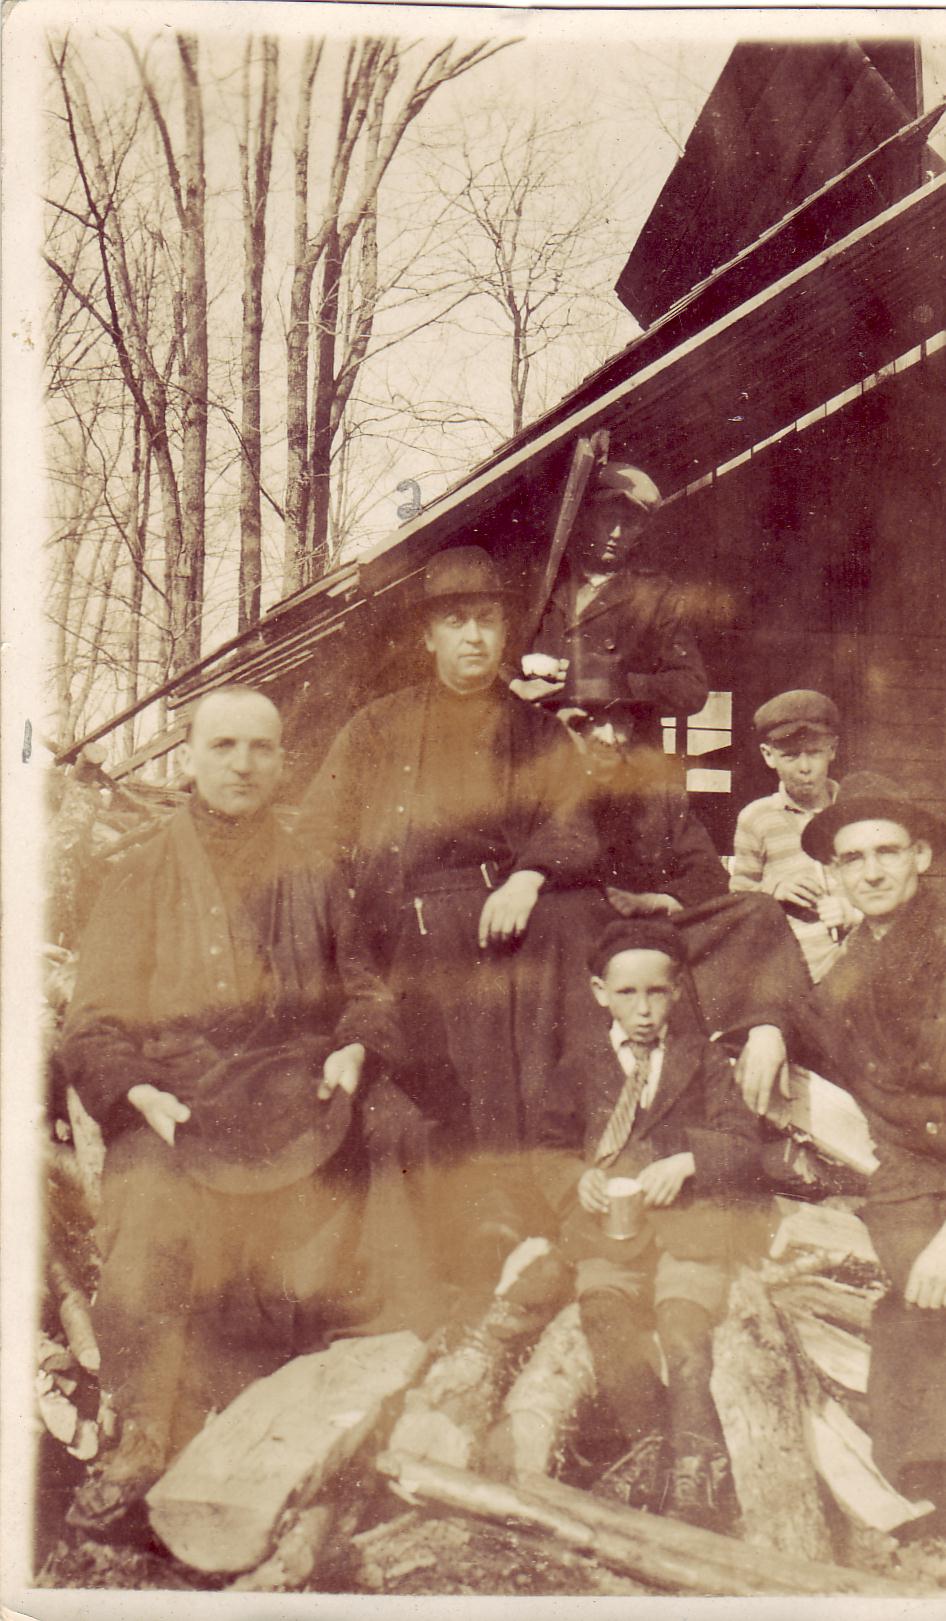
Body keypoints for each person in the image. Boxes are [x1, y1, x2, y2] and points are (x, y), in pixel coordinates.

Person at [57, 686, 424, 1530]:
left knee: (393, 1130)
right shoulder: (138, 875)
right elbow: (95, 1024)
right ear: (188, 757)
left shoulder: (316, 867)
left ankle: (374, 1396)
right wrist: (136, 1091)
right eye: (222, 746)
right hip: (178, 1101)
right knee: (147, 1200)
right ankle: (141, 1432)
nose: (242, 765)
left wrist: (353, 1045)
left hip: (297, 1091)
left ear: (281, 759)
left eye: (260, 748)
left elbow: (368, 990)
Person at [298, 547, 598, 1263]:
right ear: (428, 635)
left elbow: (576, 820)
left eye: (488, 621)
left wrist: (528, 876)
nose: (474, 637)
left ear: (506, 633)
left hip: (504, 909)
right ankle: (469, 1224)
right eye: (456, 621)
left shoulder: (536, 732)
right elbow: (315, 832)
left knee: (549, 988)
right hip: (406, 926)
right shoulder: (377, 728)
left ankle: (549, 1199)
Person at [739, 772, 946, 1527]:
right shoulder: (857, 956)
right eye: (853, 858)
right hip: (915, 1169)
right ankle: (925, 1489)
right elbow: (806, 1011)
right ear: (834, 873)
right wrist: (768, 1025)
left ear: (921, 855)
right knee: (913, 1300)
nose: (872, 870)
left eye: (888, 851)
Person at [535, 919, 763, 1529]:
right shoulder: (579, 1064)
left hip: (688, 1229)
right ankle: (650, 1448)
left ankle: (697, 1467)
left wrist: (691, 1159)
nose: (643, 1009)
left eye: (657, 992)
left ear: (678, 991)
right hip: (611, 1230)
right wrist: (572, 1179)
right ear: (598, 993)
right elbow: (550, 1147)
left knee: (685, 1338)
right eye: (627, 993)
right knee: (607, 1324)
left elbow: (746, 1142)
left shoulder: (702, 1059)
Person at [515, 702, 813, 1139]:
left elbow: (707, 873)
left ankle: (767, 1030)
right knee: (568, 918)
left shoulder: (657, 792)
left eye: (619, 722)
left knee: (758, 911)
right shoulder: (539, 787)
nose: (610, 736)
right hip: (584, 936)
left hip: (661, 929)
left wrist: (658, 899)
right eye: (588, 724)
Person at [509, 461, 708, 754]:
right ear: (586, 516)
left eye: (629, 523)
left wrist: (617, 681)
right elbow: (499, 660)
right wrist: (516, 686)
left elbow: (691, 689)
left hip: (618, 756)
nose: (616, 532)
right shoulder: (546, 582)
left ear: (641, 530)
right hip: (545, 757)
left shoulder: (656, 595)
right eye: (608, 517)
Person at [730, 690, 858, 981]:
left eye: (814, 753)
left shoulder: (854, 811)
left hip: (860, 972)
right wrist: (773, 892)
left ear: (832, 750)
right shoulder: (756, 818)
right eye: (789, 756)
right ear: (768, 755)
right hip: (794, 974)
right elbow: (737, 903)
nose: (804, 768)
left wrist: (850, 912)